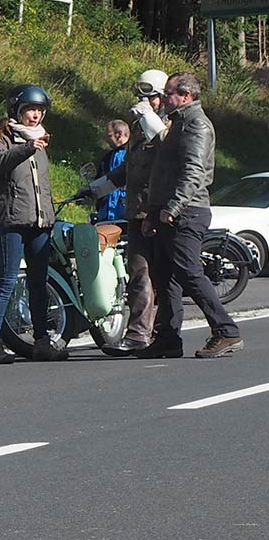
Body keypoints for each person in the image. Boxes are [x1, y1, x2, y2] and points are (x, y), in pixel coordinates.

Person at [137, 72, 243, 359]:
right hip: (168, 210)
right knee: (166, 276)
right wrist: (153, 211)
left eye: (168, 93)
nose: (163, 98)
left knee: (189, 272)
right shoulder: (178, 124)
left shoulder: (196, 125)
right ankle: (168, 339)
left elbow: (193, 172)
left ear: (185, 96)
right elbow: (164, 173)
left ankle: (226, 331)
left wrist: (173, 207)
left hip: (188, 211)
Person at [75, 69, 168, 350]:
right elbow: (126, 169)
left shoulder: (174, 124)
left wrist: (148, 117)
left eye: (151, 97)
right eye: (141, 96)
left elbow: (169, 149)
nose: (145, 102)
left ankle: (168, 333)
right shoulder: (139, 126)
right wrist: (96, 189)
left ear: (163, 97)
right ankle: (139, 335)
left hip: (164, 211)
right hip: (138, 210)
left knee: (167, 277)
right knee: (139, 274)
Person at [0, 84, 66, 364]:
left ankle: (42, 341)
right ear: (17, 110)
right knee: (6, 279)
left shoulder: (41, 142)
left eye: (40, 110)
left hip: (40, 221)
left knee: (38, 283)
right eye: (31, 109)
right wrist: (28, 148)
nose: (36, 116)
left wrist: (51, 214)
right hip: (12, 220)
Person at [92, 120, 129, 222]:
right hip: (106, 214)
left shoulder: (133, 154)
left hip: (124, 214)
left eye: (109, 135)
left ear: (119, 134)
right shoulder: (107, 157)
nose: (106, 139)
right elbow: (100, 179)